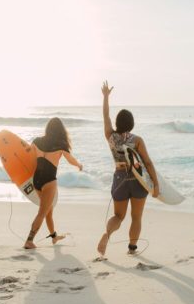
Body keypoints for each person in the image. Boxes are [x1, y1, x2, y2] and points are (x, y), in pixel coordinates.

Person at [97, 81, 159, 258]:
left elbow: (105, 115)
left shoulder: (110, 136)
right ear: (132, 124)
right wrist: (156, 185)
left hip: (119, 179)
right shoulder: (137, 139)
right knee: (136, 217)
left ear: (117, 123)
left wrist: (106, 97)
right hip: (137, 181)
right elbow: (147, 162)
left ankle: (107, 235)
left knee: (118, 216)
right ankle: (132, 248)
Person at [24, 117, 83, 249]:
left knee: (48, 211)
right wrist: (79, 165)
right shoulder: (61, 144)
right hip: (49, 181)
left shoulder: (36, 141)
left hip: (37, 180)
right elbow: (71, 160)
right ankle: (29, 240)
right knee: (42, 212)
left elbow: (27, 156)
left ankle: (54, 237)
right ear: (60, 130)